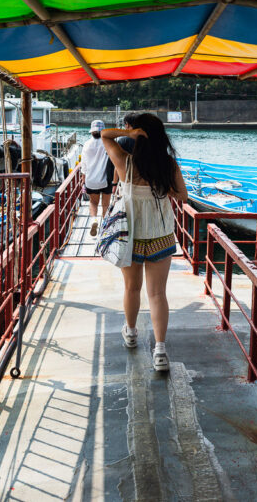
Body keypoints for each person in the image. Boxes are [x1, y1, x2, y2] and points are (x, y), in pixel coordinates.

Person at [100, 113, 189, 372]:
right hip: (160, 234)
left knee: (132, 288)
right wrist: (164, 190)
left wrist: (128, 133)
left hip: (131, 234)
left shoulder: (125, 162)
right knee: (158, 293)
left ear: (139, 134)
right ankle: (160, 351)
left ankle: (130, 332)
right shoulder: (169, 165)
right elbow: (182, 196)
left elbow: (104, 135)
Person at [80, 120, 112, 236]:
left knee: (93, 203)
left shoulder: (87, 144)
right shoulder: (107, 143)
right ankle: (104, 227)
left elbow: (83, 164)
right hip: (106, 179)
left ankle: (94, 220)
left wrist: (83, 179)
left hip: (91, 180)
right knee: (106, 205)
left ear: (92, 131)